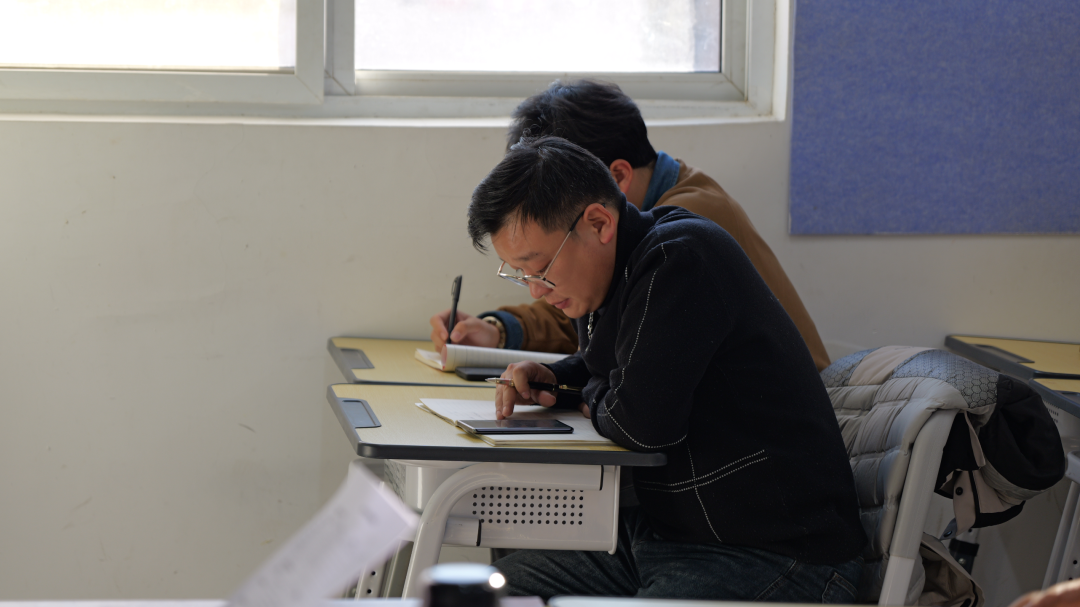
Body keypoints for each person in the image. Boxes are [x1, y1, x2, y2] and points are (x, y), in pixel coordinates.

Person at [468, 136, 865, 602]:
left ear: (599, 223)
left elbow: (640, 424)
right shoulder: (611, 276)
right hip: (669, 537)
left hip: (776, 553)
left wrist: (592, 392)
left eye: (539, 269)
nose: (536, 290)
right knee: (491, 593)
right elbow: (614, 372)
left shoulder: (678, 257)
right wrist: (560, 378)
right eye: (520, 275)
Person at [431, 79, 831, 371]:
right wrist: (499, 330)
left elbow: (617, 325)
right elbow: (584, 308)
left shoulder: (686, 228)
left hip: (776, 423)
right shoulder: (639, 221)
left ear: (616, 177)